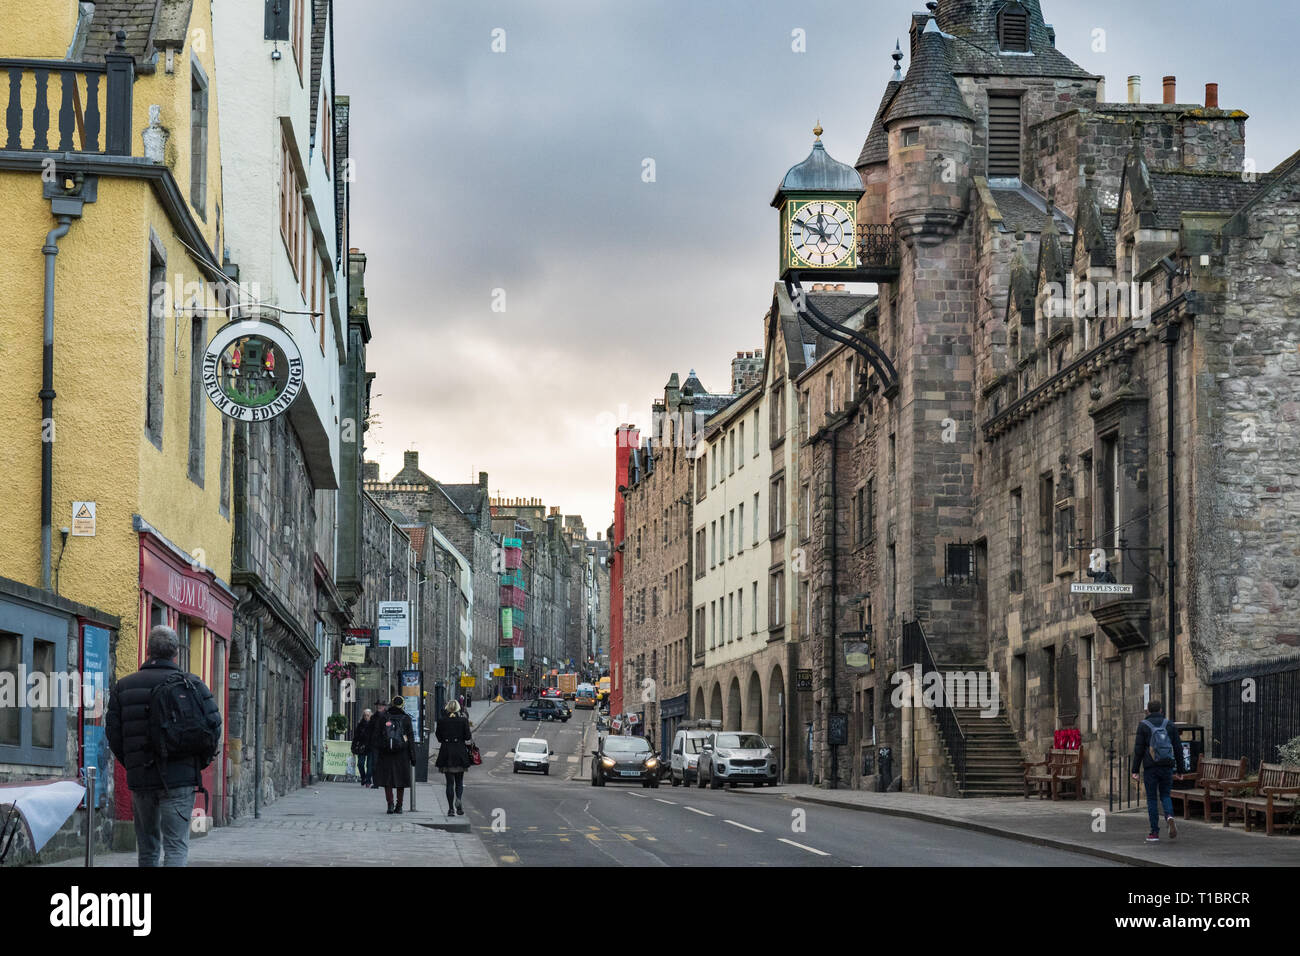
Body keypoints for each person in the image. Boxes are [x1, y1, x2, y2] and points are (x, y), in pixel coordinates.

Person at [106, 625, 222, 867]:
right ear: (175, 653)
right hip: (180, 778)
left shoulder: (124, 687)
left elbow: (114, 735)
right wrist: (196, 765)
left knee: (147, 847)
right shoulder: (193, 685)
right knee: (176, 845)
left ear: (148, 651)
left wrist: (133, 764)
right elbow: (213, 727)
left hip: (142, 779)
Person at [1131, 699, 1185, 843]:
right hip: (1167, 765)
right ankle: (1169, 816)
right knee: (1166, 795)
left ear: (1148, 711)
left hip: (1150, 767)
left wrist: (1135, 770)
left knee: (1152, 799)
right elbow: (1178, 749)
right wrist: (1180, 770)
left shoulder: (1143, 726)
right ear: (1161, 710)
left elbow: (1138, 750)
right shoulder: (1170, 725)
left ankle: (1154, 832)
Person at [369, 695, 416, 814]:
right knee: (401, 781)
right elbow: (410, 738)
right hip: (402, 754)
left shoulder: (384, 717)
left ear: (392, 704)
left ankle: (390, 804)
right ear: (402, 705)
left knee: (387, 780)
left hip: (386, 754)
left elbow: (376, 736)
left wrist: (380, 750)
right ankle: (399, 806)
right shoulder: (406, 718)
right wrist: (413, 756)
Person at [434, 699, 473, 817]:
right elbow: (467, 736)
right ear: (458, 709)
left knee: (449, 783)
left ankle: (451, 809)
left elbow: (438, 737)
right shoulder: (463, 720)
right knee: (459, 781)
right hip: (460, 753)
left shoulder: (441, 720)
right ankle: (459, 800)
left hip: (446, 752)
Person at [353, 709, 374, 787]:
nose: (366, 717)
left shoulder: (373, 724)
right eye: (365, 715)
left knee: (369, 765)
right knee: (360, 764)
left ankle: (368, 780)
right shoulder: (360, 725)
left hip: (371, 747)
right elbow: (356, 737)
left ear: (370, 716)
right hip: (362, 747)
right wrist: (353, 748)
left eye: (368, 715)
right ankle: (363, 777)